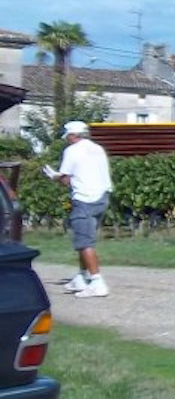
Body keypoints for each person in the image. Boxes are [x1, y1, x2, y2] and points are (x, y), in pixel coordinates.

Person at [44, 121, 113, 298]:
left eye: (67, 136)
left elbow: (66, 180)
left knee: (84, 243)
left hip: (84, 199)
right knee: (87, 239)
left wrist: (54, 177)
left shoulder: (72, 151)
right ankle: (82, 277)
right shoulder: (98, 149)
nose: (67, 139)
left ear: (73, 135)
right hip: (101, 198)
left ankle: (97, 282)